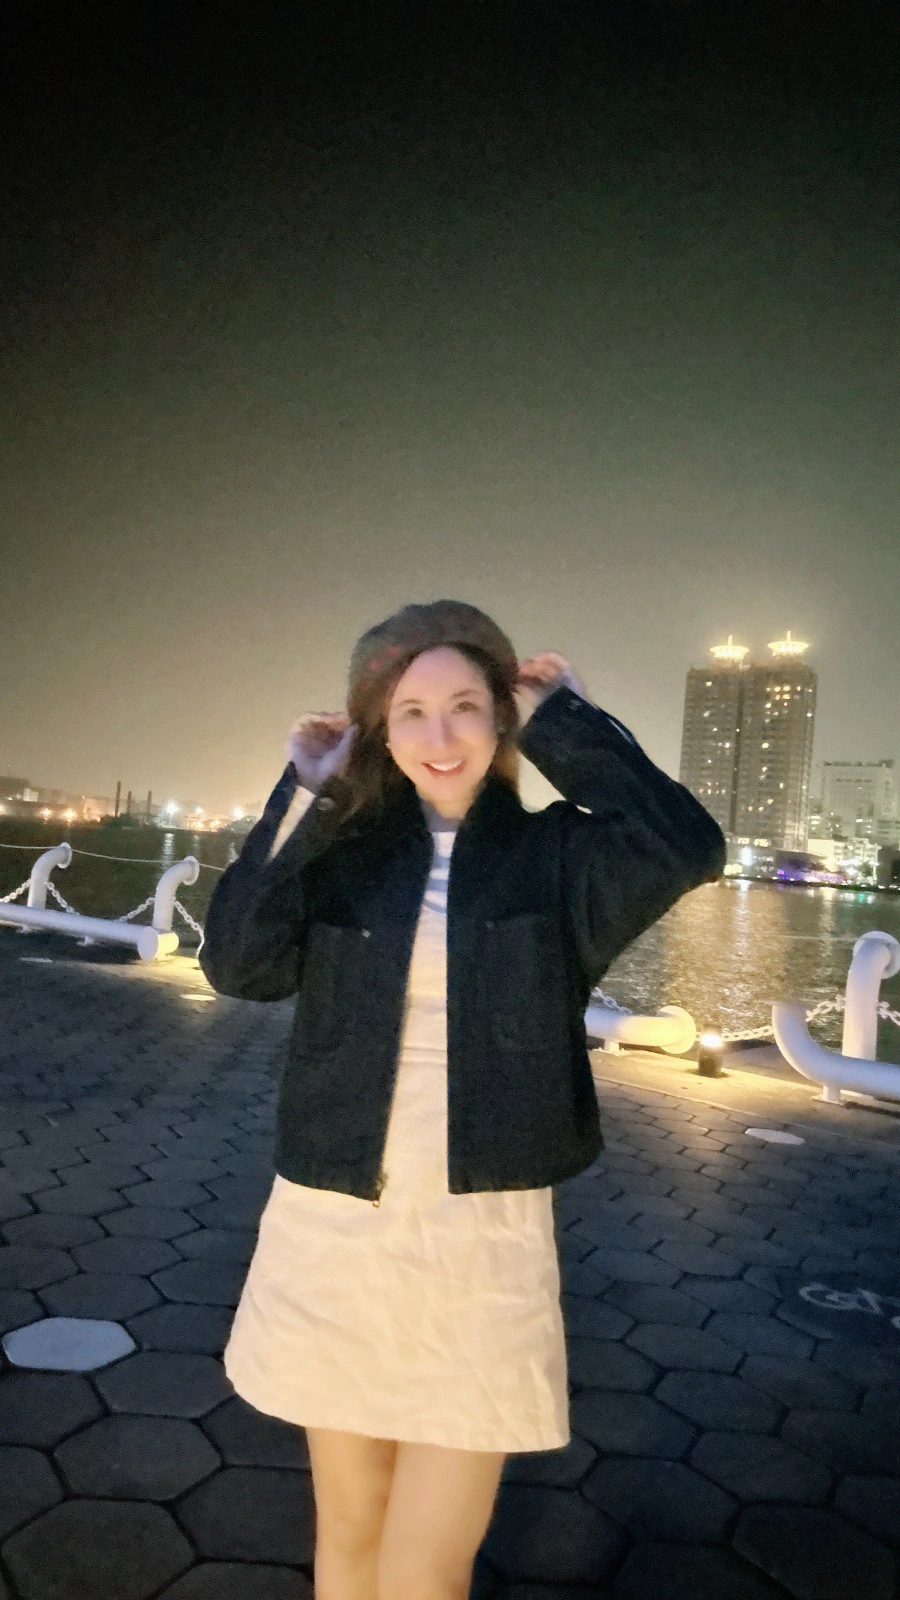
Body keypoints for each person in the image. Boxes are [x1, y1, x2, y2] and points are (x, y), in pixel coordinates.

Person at [200, 599, 726, 1600]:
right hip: (335, 1224)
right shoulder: (345, 856)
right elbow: (236, 962)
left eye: (465, 706)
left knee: (424, 1566)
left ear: (501, 718)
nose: (439, 735)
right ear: (380, 730)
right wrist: (305, 790)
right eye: (411, 712)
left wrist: (567, 719)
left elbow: (688, 846)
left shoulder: (556, 859)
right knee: (352, 1529)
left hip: (482, 1241)